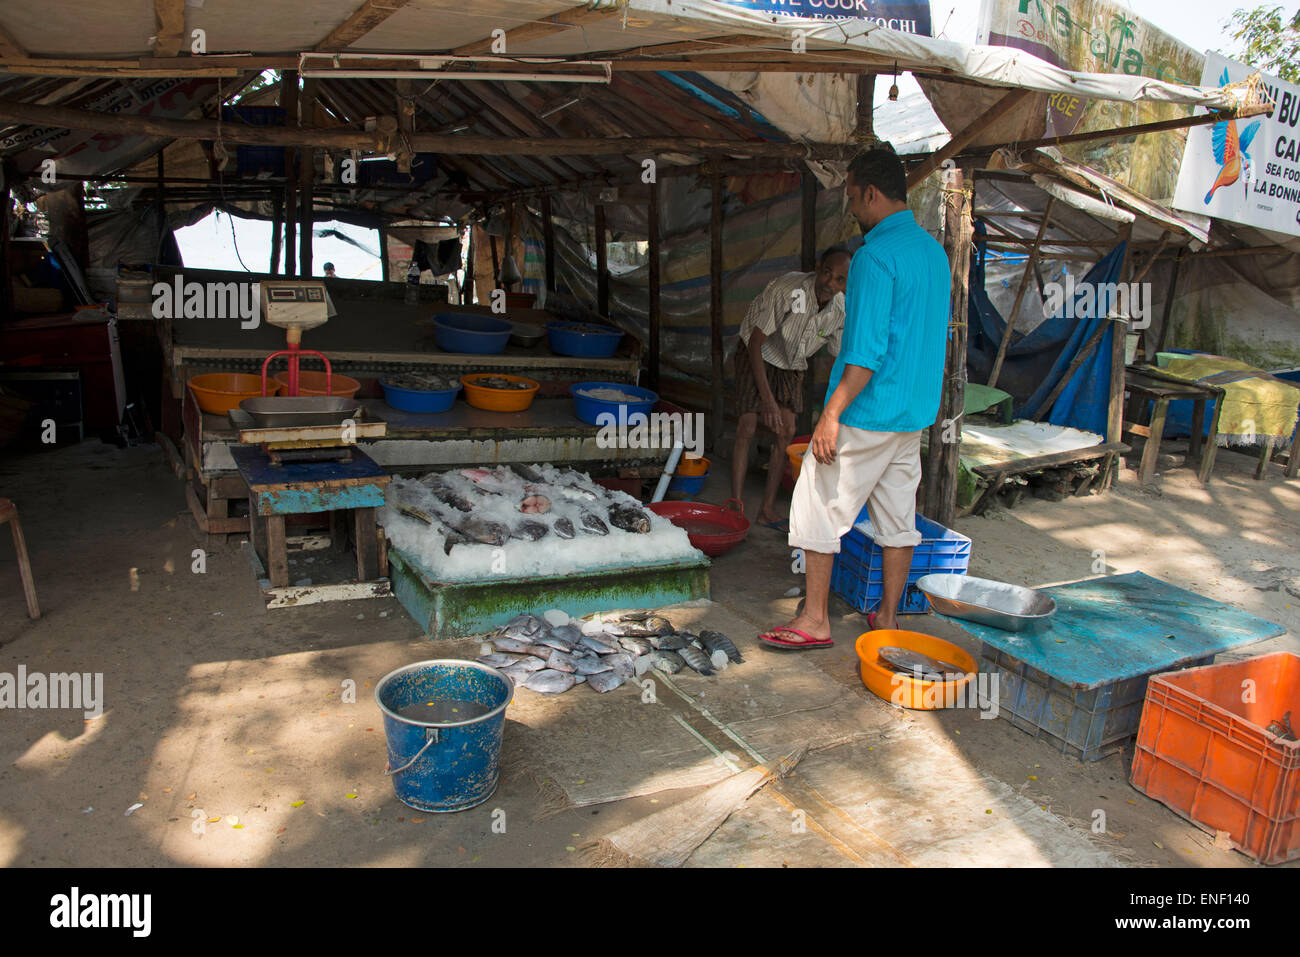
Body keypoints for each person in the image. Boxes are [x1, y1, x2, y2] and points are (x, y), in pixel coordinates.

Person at [759, 147, 951, 649]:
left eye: (850, 196)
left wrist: (831, 414)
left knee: (816, 502)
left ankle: (815, 620)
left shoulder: (874, 257)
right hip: (912, 414)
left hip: (868, 410)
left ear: (870, 193)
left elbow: (866, 352)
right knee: (898, 518)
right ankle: (887, 617)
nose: (850, 207)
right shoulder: (934, 253)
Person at [730, 246, 851, 526]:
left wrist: (832, 413)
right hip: (757, 352)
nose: (830, 283)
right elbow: (756, 343)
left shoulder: (840, 311)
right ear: (818, 268)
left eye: (840, 279)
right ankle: (735, 506)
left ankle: (766, 509)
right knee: (747, 424)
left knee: (786, 430)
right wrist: (768, 401)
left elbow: (836, 361)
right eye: (827, 273)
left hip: (791, 362)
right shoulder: (789, 290)